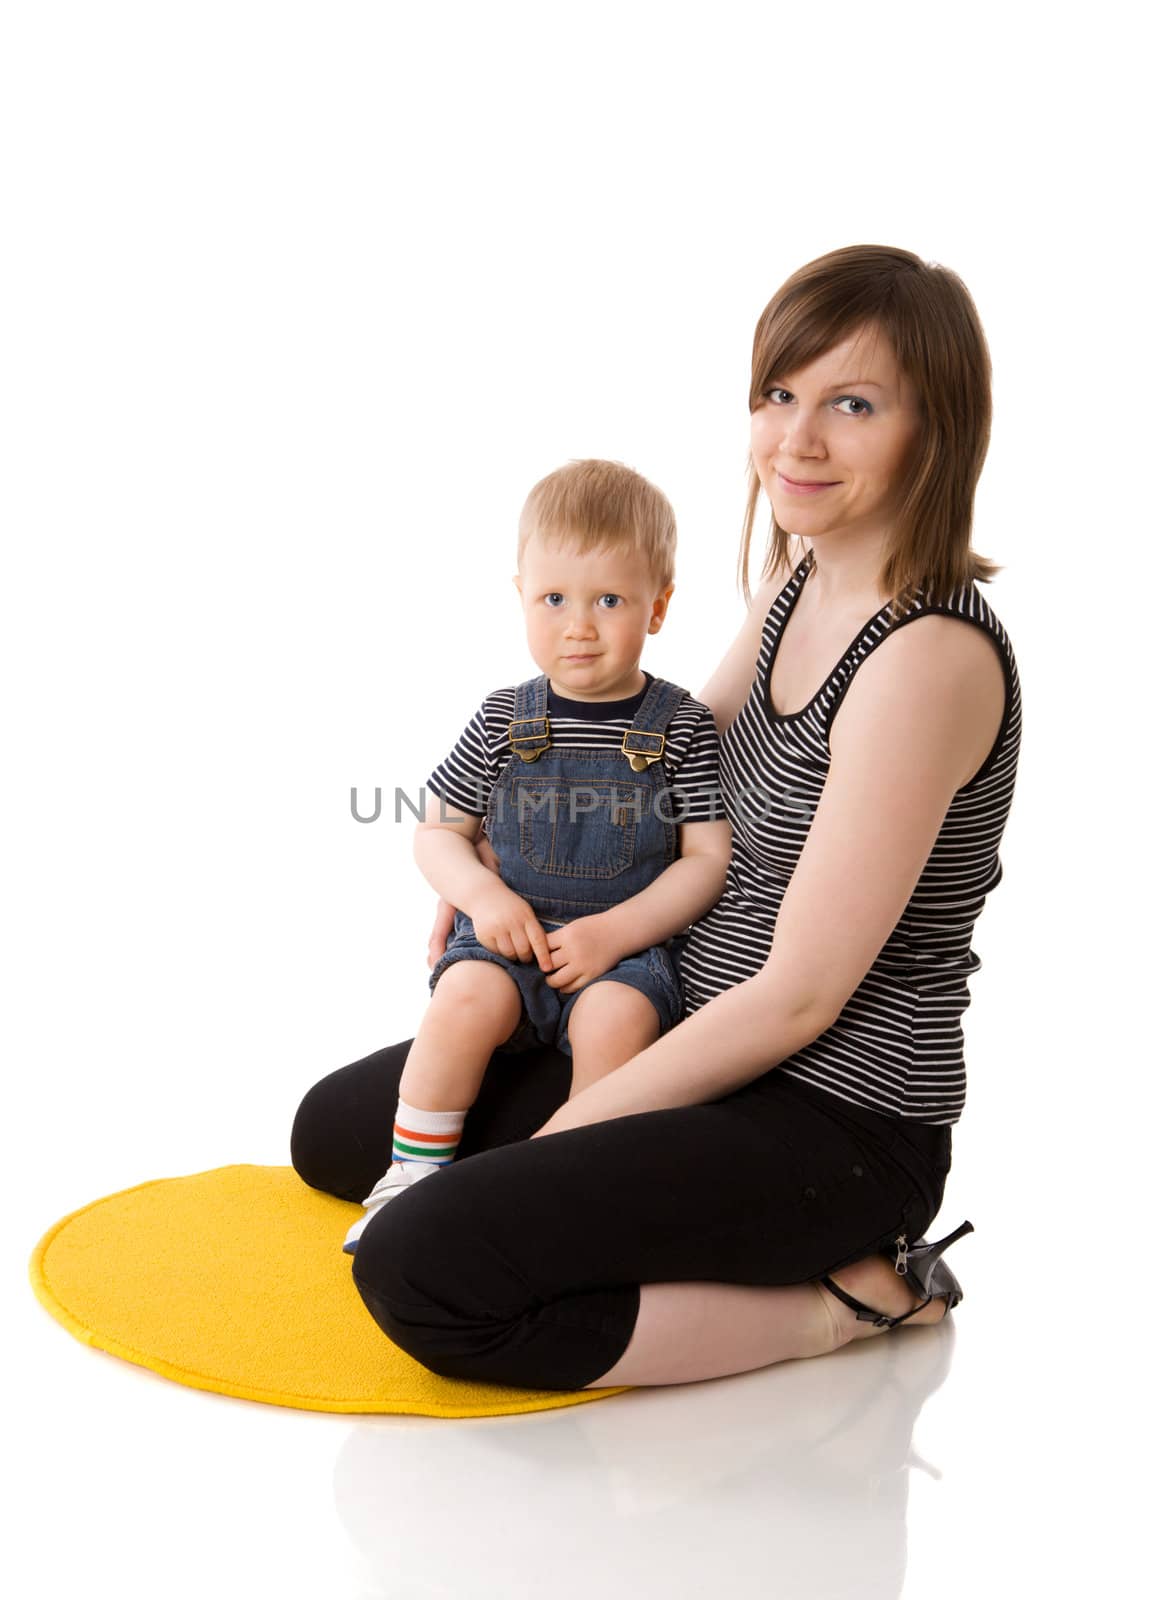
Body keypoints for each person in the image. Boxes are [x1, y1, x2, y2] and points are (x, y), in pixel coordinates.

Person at [291, 242, 1022, 1391]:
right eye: (778, 395)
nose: (797, 438)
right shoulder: (803, 579)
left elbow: (801, 994)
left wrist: (568, 1140)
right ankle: (584, 1187)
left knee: (422, 1262)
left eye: (851, 404)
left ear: (934, 429)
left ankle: (847, 1298)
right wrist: (484, 866)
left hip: (828, 1110)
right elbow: (662, 758)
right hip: (691, 1028)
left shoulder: (927, 656)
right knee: (335, 1132)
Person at [341, 459, 731, 1252]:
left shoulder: (681, 727)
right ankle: (411, 1176)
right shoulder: (501, 718)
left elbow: (706, 860)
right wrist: (485, 900)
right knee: (461, 1004)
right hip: (510, 938)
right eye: (554, 599)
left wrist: (616, 935)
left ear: (658, 607)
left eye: (609, 601)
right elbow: (437, 832)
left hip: (622, 955)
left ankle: (567, 1184)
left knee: (618, 1023)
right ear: (520, 593)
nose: (578, 625)